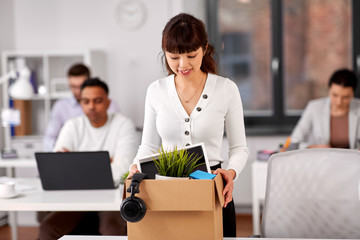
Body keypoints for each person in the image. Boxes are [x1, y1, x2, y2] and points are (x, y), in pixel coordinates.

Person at [129, 13, 249, 237]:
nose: (183, 65)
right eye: (174, 57)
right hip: (166, 189)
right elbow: (148, 147)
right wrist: (134, 168)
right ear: (164, 53)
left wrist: (231, 173)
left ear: (205, 48)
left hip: (212, 186)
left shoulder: (226, 89)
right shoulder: (156, 91)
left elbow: (239, 148)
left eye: (191, 55)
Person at [38, 78, 139, 240]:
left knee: (111, 229)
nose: (91, 106)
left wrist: (76, 163)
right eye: (85, 101)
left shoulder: (123, 124)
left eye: (97, 101)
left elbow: (123, 169)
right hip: (76, 199)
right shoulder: (72, 125)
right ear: (80, 103)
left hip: (111, 198)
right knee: (47, 229)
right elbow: (58, 168)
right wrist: (107, 161)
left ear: (108, 102)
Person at [43, 63, 119, 151]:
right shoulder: (61, 108)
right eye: (73, 86)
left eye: (81, 86)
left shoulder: (108, 105)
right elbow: (49, 138)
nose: (77, 91)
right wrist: (61, 150)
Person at [290, 68, 360, 149]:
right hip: (322, 160)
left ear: (352, 94)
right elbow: (294, 143)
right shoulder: (314, 107)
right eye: (335, 95)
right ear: (329, 90)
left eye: (345, 97)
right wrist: (313, 147)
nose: (339, 102)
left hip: (354, 160)